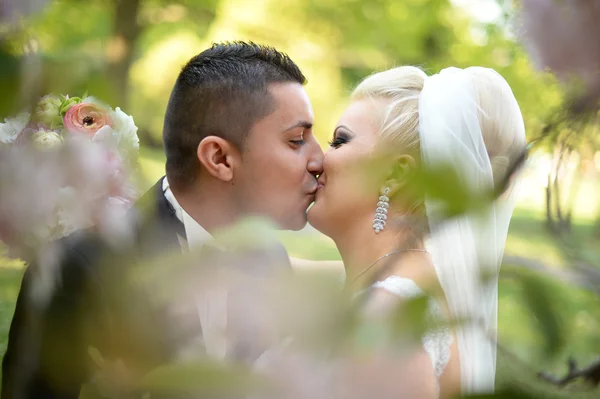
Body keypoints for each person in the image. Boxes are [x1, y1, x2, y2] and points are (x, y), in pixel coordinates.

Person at [2, 41, 324, 399]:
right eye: (297, 140)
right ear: (219, 158)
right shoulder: (79, 268)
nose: (319, 160)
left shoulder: (270, 260)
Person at [307, 66, 526, 398]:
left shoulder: (388, 318)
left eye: (339, 140)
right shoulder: (391, 282)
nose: (319, 160)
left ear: (395, 174)